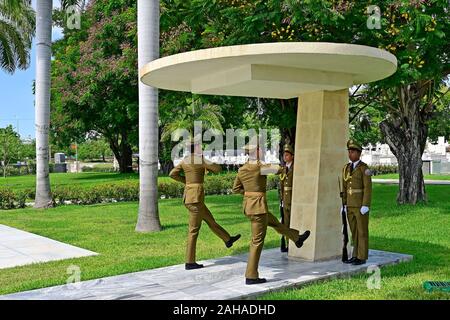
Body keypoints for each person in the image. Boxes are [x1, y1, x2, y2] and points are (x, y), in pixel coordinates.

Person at [232, 137, 311, 285]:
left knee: (276, 224)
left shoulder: (242, 169)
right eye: (260, 148)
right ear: (256, 151)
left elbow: (236, 188)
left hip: (250, 207)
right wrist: (286, 165)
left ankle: (296, 238)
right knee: (257, 241)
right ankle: (251, 275)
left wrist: (249, 195)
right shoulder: (260, 166)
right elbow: (280, 169)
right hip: (258, 209)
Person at [169, 137, 241, 270]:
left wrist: (187, 182)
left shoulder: (184, 161)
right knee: (193, 230)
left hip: (191, 198)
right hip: (195, 199)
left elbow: (172, 174)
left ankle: (227, 239)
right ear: (195, 148)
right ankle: (190, 262)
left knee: (210, 220)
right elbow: (217, 169)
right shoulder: (200, 159)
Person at [341, 139, 372, 265]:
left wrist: (365, 204)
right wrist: (343, 204)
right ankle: (355, 255)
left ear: (359, 153)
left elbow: (368, 188)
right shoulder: (346, 168)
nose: (350, 154)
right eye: (349, 151)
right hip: (349, 205)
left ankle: (362, 256)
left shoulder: (364, 169)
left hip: (360, 205)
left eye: (353, 152)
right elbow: (344, 188)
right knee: (354, 231)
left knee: (362, 231)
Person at [279, 144, 294, 253]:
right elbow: (281, 186)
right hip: (285, 199)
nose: (285, 157)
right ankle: (287, 242)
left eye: (287, 155)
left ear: (292, 156)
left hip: (293, 199)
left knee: (292, 222)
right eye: (284, 155)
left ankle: (293, 242)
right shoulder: (283, 169)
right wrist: (281, 199)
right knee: (286, 222)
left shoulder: (295, 168)